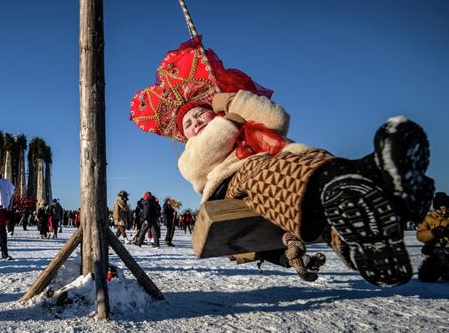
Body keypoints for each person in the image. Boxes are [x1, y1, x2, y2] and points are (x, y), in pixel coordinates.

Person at [130, 38, 435, 286]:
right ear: (184, 137)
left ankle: (372, 243)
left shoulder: (238, 116)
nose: (196, 123)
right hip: (237, 181)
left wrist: (234, 102)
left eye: (200, 114)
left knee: (316, 162)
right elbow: (202, 157)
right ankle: (371, 180)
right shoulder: (190, 154)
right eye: (189, 124)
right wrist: (232, 120)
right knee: (269, 173)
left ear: (214, 111)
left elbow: (277, 119)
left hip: (289, 165)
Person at [416, 192, 449, 282]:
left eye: (446, 208)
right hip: (435, 253)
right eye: (441, 209)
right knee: (425, 278)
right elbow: (420, 236)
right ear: (436, 208)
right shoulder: (428, 218)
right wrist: (433, 233)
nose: (444, 211)